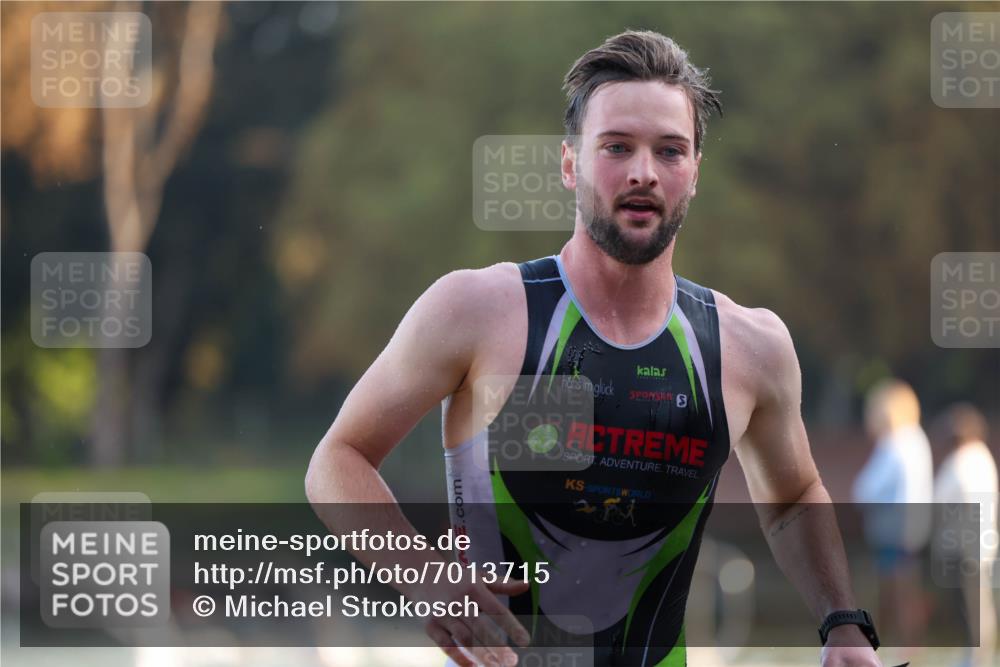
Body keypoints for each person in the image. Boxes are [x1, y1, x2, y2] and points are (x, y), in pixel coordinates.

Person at [307, 30, 883, 667]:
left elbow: (794, 497)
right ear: (569, 163)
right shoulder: (477, 311)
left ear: (694, 173)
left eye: (670, 150)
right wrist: (423, 577)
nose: (643, 171)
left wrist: (842, 625)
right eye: (617, 147)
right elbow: (338, 457)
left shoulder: (752, 347)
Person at [852, 379, 934, 655]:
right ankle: (903, 646)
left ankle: (898, 648)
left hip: (895, 528)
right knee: (903, 589)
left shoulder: (895, 442)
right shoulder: (916, 438)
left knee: (895, 592)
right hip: (911, 525)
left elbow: (867, 489)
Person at [932, 403, 998, 667]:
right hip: (965, 542)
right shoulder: (967, 457)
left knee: (973, 603)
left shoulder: (971, 458)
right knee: (968, 601)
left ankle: (978, 655)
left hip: (970, 542)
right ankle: (975, 653)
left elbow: (967, 499)